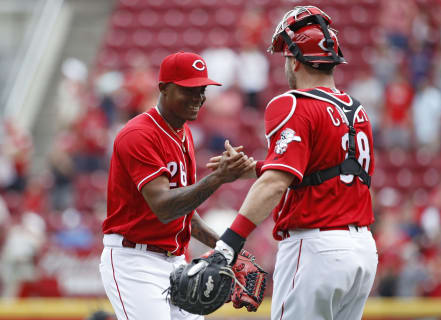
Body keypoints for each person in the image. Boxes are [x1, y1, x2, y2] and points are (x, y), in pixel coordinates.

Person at [206, 6, 378, 320]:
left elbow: (276, 183)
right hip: (363, 250)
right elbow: (328, 171)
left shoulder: (293, 103)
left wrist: (228, 243)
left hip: (316, 248)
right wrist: (258, 168)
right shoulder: (357, 109)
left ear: (295, 60)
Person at [99, 51, 254, 320]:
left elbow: (185, 213)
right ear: (164, 88)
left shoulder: (183, 133)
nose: (198, 97)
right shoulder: (139, 134)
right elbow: (164, 207)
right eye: (189, 89)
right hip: (135, 261)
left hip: (175, 261)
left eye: (202, 89)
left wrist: (226, 250)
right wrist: (218, 177)